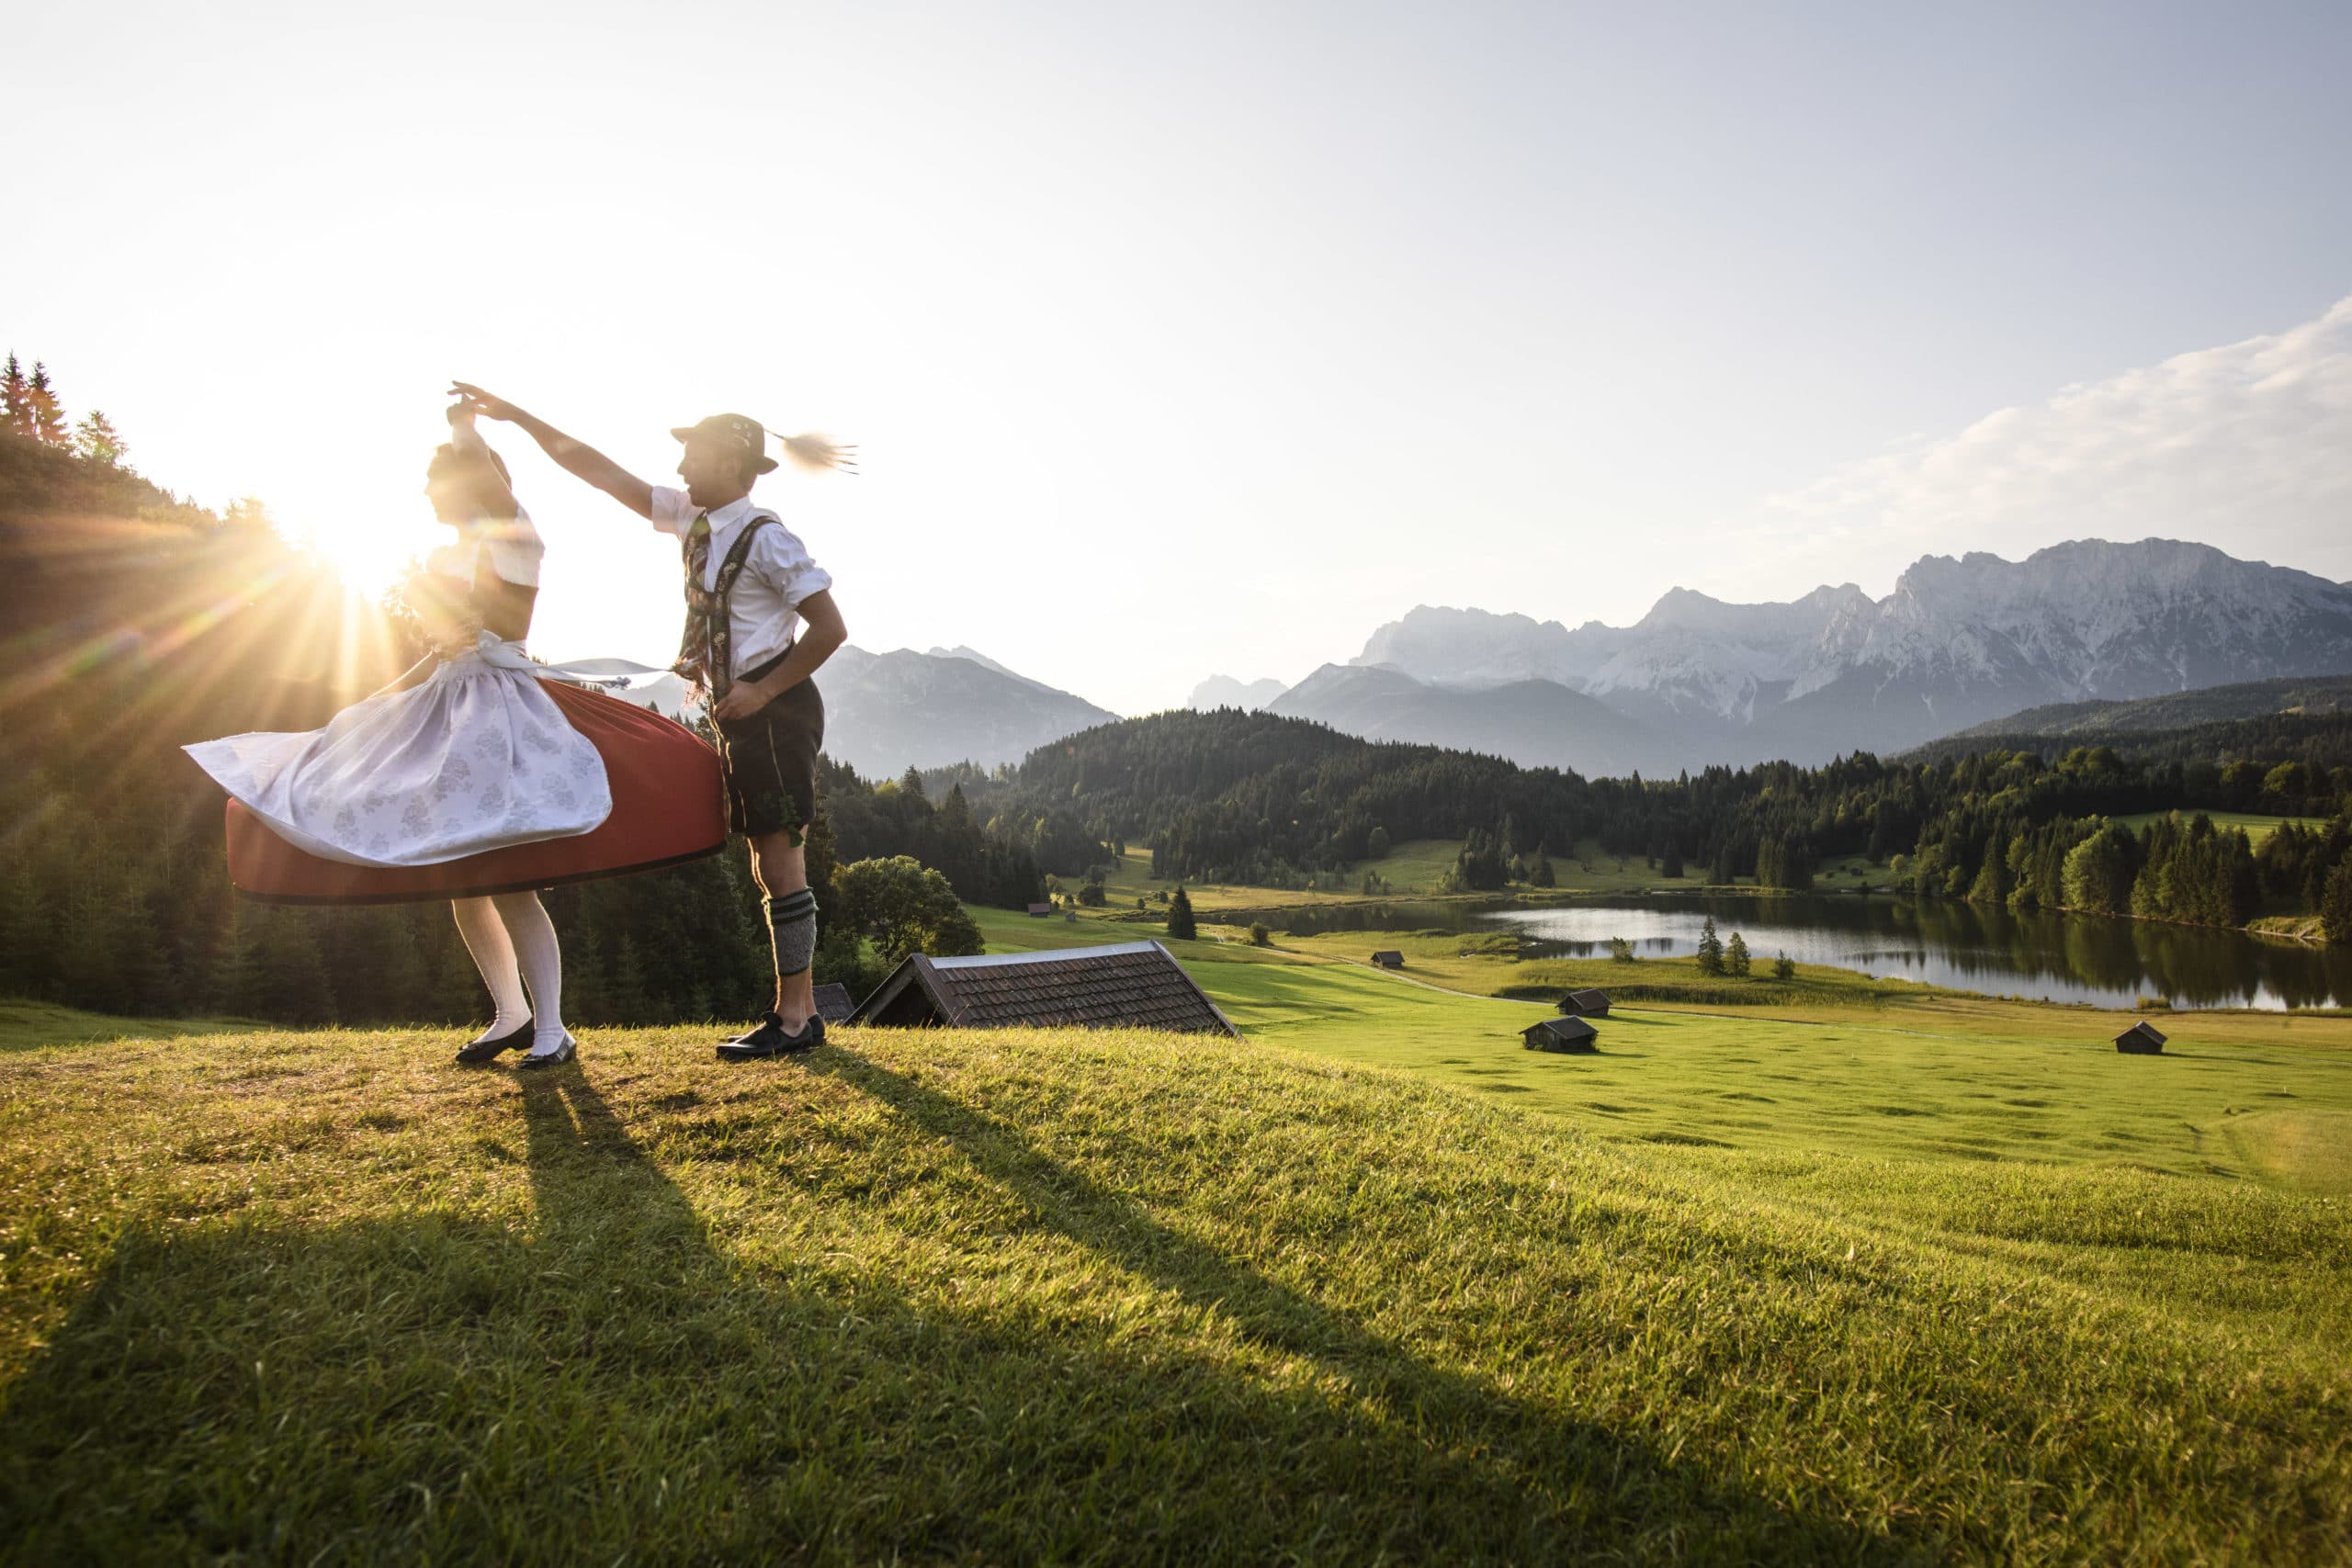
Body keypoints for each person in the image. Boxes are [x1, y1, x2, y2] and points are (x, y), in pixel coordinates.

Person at [185, 403, 727, 1068]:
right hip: (447, 702)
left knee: (507, 873)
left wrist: (466, 431)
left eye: (435, 478)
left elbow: (499, 503)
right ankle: (511, 1012)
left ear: (470, 482)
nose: (423, 491)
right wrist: (373, 706)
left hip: (499, 711)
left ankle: (553, 1027)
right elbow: (441, 653)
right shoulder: (449, 555)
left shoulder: (514, 540)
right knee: (461, 876)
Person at [450, 383, 852, 1060]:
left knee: (781, 865)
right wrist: (518, 417)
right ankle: (796, 1011)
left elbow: (830, 628)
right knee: (764, 863)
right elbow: (601, 472)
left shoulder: (768, 539)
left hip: (776, 715)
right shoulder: (694, 517)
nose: (681, 465)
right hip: (745, 713)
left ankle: (795, 1019)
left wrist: (760, 690)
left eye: (693, 451)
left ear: (731, 462)